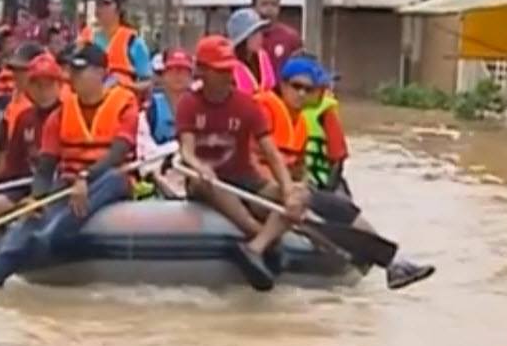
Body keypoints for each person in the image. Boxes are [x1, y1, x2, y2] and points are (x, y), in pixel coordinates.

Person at [0, 43, 140, 292]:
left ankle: (46, 239)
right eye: (72, 70)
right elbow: (46, 166)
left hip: (110, 179)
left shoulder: (125, 103)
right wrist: (36, 199)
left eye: (81, 70)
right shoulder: (59, 115)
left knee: (108, 180)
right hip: (69, 182)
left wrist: (86, 176)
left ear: (101, 72)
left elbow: (118, 152)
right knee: (33, 215)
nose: (74, 77)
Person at [254, 55, 435, 291]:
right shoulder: (264, 108)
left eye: (308, 89)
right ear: (283, 84)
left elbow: (300, 167)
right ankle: (392, 261)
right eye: (297, 87)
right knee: (332, 205)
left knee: (337, 207)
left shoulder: (300, 121)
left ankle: (391, 261)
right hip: (262, 188)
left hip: (288, 189)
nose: (302, 94)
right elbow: (250, 158)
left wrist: (302, 185)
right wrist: (287, 189)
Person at [175, 35, 303, 291]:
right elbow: (186, 152)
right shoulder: (189, 104)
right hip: (205, 181)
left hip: (245, 179)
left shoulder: (247, 105)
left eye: (228, 70)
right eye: (219, 71)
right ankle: (261, 237)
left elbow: (272, 154)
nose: (226, 76)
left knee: (300, 195)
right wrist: (200, 167)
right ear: (202, 71)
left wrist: (288, 190)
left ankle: (257, 246)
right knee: (213, 185)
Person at [0, 53, 65, 262]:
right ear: (30, 87)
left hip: (58, 186)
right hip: (26, 184)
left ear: (58, 86)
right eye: (37, 85)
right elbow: (13, 167)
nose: (43, 91)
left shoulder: (68, 115)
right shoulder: (24, 119)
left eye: (48, 85)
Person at [137, 49, 193, 198]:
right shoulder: (150, 111)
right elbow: (144, 155)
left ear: (191, 77)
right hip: (158, 179)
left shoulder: (201, 109)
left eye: (183, 71)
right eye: (173, 70)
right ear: (164, 75)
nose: (178, 75)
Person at [77, 0, 152, 92]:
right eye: (97, 3)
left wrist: (124, 85)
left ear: (120, 7)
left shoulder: (133, 42)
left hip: (122, 103)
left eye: (105, 3)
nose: (99, 8)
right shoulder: (85, 38)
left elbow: (147, 83)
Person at [301, 62, 350, 195]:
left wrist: (328, 194)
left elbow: (338, 159)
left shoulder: (326, 113)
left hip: (320, 184)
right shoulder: (283, 110)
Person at [251, 0, 303, 80]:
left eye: (274, 4)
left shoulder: (291, 37)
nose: (269, 9)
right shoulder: (247, 38)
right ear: (254, 7)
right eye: (264, 4)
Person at [227, 8, 276, 95]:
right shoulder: (229, 65)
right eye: (254, 34)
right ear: (242, 40)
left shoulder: (263, 56)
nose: (260, 37)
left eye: (260, 32)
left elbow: (271, 89)